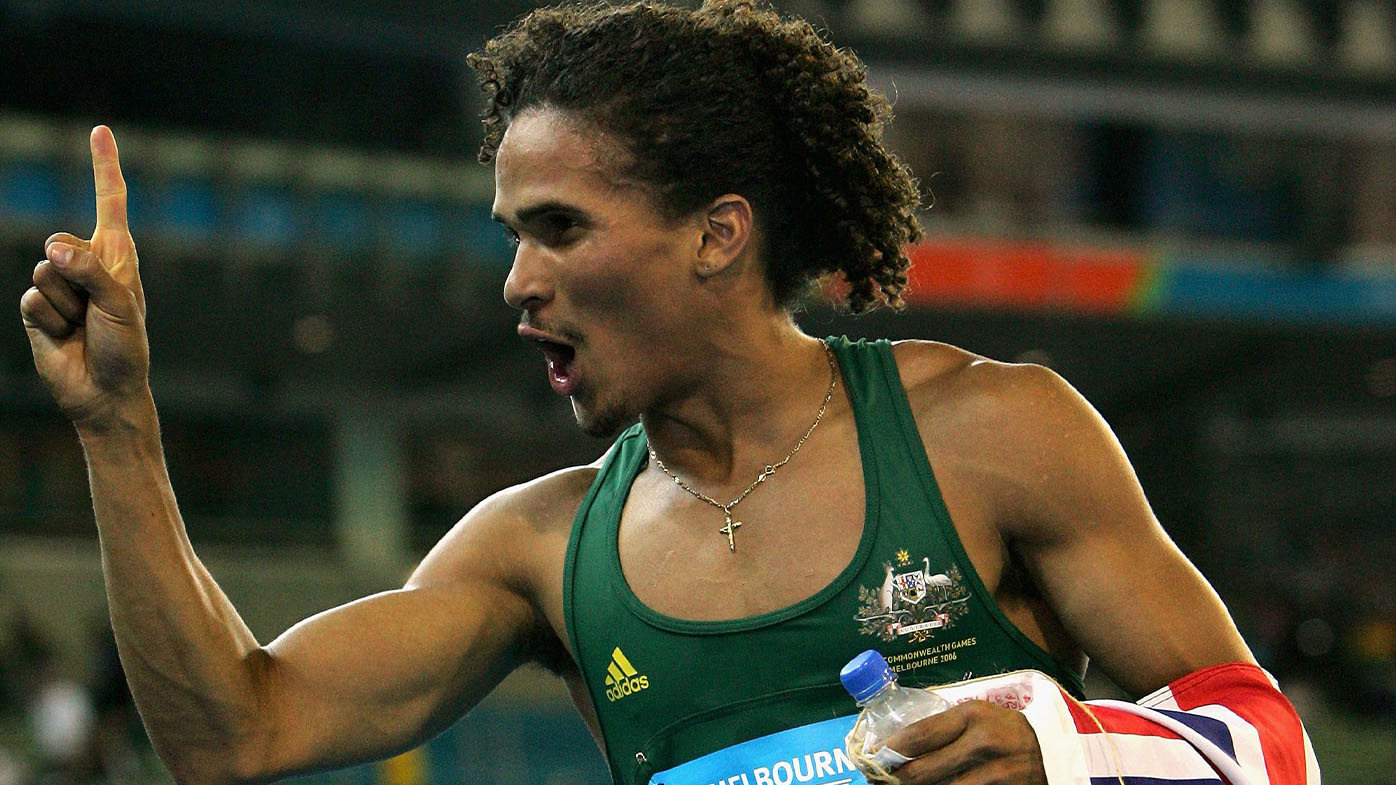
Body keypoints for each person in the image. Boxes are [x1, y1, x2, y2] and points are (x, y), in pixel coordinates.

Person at [19, 2, 1282, 785]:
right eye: (511, 234)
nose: (516, 283)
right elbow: (231, 732)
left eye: (560, 228)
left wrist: (1067, 754)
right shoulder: (539, 546)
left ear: (716, 234)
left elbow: (1268, 742)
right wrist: (118, 430)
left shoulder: (990, 435)